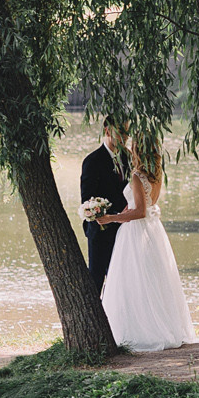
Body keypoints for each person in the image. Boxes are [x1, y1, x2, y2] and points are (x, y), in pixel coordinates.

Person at [94, 133, 198, 351]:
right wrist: (122, 212)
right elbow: (144, 205)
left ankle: (139, 330)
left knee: (133, 280)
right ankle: (160, 324)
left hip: (136, 232)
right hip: (153, 231)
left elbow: (140, 211)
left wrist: (112, 218)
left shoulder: (137, 176)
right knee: (153, 279)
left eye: (133, 146)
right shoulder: (156, 174)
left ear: (138, 149)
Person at [81, 121, 130, 288]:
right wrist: (112, 216)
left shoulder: (130, 158)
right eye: (122, 132)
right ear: (108, 130)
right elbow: (87, 200)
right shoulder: (93, 161)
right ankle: (95, 314)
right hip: (101, 231)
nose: (126, 137)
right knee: (96, 279)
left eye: (127, 132)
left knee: (121, 281)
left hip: (126, 230)